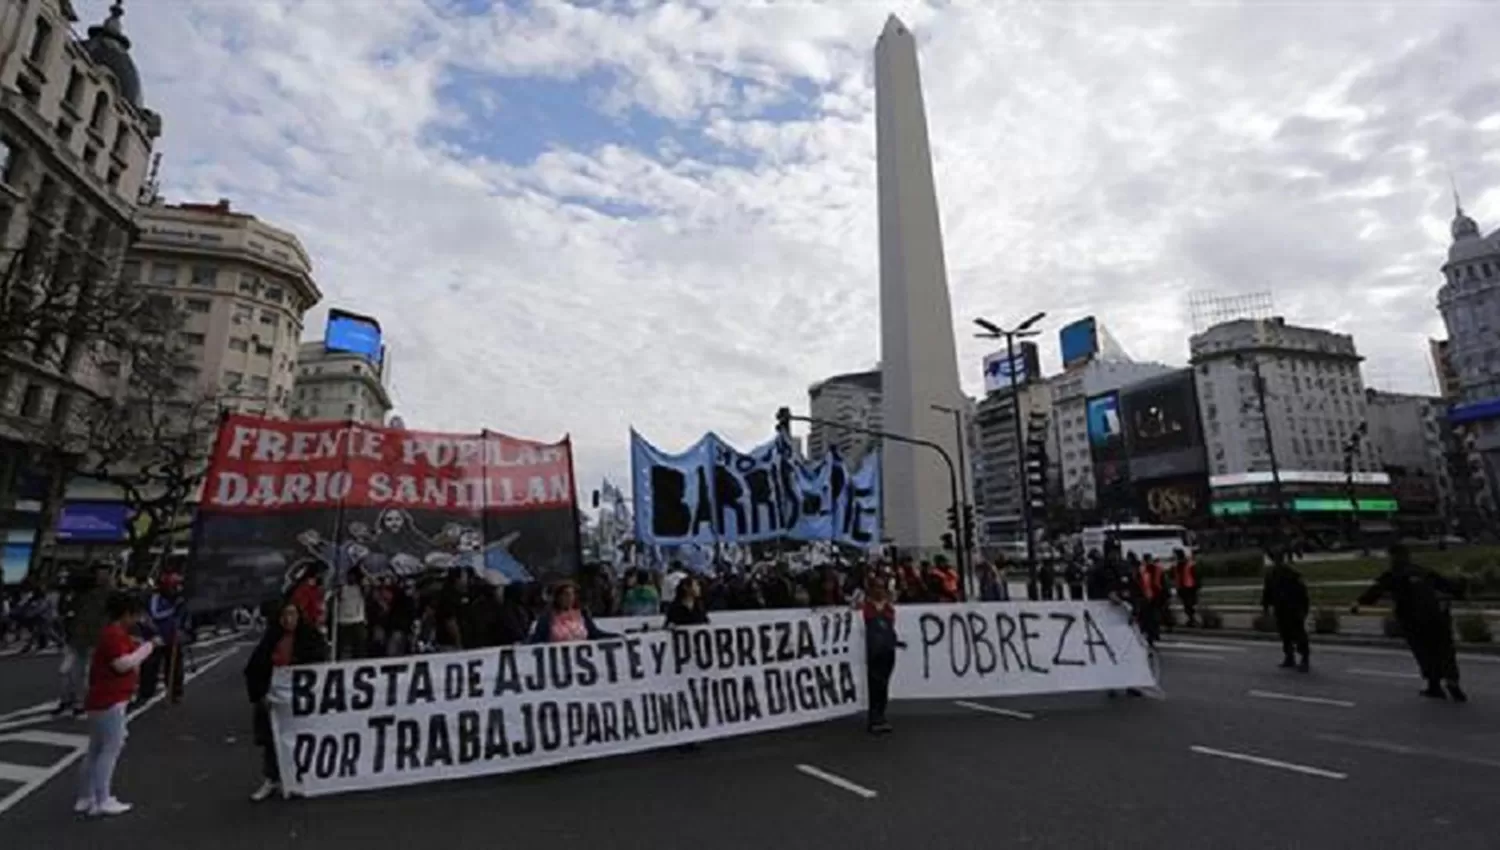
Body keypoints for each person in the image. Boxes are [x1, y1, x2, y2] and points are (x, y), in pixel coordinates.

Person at [74, 592, 157, 817]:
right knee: (110, 749)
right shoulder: (114, 635)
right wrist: (147, 648)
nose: (137, 620)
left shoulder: (114, 633)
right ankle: (102, 799)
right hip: (111, 699)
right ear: (126, 614)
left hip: (100, 699)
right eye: (135, 615)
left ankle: (86, 797)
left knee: (95, 749)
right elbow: (123, 664)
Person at [1352, 544, 1467, 701]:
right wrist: (1461, 587)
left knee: (1424, 651)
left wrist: (1358, 604)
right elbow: (1447, 585)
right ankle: (1452, 681)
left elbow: (1375, 591)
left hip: (1414, 620)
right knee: (1444, 650)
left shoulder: (1393, 574)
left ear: (1393, 557)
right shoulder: (1423, 571)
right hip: (1437, 617)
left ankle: (1434, 685)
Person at [244, 602, 328, 801]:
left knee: (300, 739)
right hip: (274, 698)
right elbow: (254, 669)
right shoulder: (271, 639)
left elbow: (319, 665)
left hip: (299, 699)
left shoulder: (310, 637)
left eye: (293, 614)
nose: (289, 619)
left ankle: (298, 778)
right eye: (285, 615)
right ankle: (272, 779)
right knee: (271, 741)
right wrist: (260, 695)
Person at [59, 565, 114, 718]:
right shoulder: (81, 596)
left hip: (94, 638)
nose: (101, 578)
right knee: (70, 671)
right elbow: (68, 613)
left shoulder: (107, 596)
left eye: (104, 575)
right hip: (78, 638)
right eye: (99, 574)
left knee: (85, 672)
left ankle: (79, 701)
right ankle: (71, 699)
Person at [861, 583, 904, 734]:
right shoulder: (866, 607)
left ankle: (881, 716)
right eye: (876, 589)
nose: (879, 592)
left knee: (883, 684)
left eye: (881, 589)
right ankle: (874, 718)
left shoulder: (888, 608)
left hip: (887, 648)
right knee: (875, 685)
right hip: (874, 650)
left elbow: (890, 624)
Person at [1261, 551, 1310, 672]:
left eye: (1278, 559)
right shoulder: (1271, 575)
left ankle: (1304, 658)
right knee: (1285, 634)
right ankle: (1289, 657)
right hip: (1280, 608)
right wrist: (1266, 607)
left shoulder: (1292, 575)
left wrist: (1304, 610)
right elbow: (1267, 592)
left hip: (1294, 609)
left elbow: (1302, 593)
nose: (1277, 562)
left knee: (1299, 635)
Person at [528, 581, 616, 643]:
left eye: (572, 594)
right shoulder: (547, 617)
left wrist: (616, 637)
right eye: (566, 594)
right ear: (558, 597)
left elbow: (594, 633)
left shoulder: (582, 614)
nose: (569, 597)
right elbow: (537, 639)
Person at [333, 566, 368, 660]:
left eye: (353, 576)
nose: (351, 578)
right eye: (349, 576)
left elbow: (367, 589)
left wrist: (362, 573)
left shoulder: (361, 588)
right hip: (344, 622)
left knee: (360, 649)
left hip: (358, 621)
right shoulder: (343, 588)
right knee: (344, 649)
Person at [1173, 548, 1201, 627]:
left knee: (1189, 604)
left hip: (1188, 586)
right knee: (1188, 604)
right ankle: (1191, 619)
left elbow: (1193, 574)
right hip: (1185, 586)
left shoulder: (1184, 564)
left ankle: (1192, 619)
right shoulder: (1180, 565)